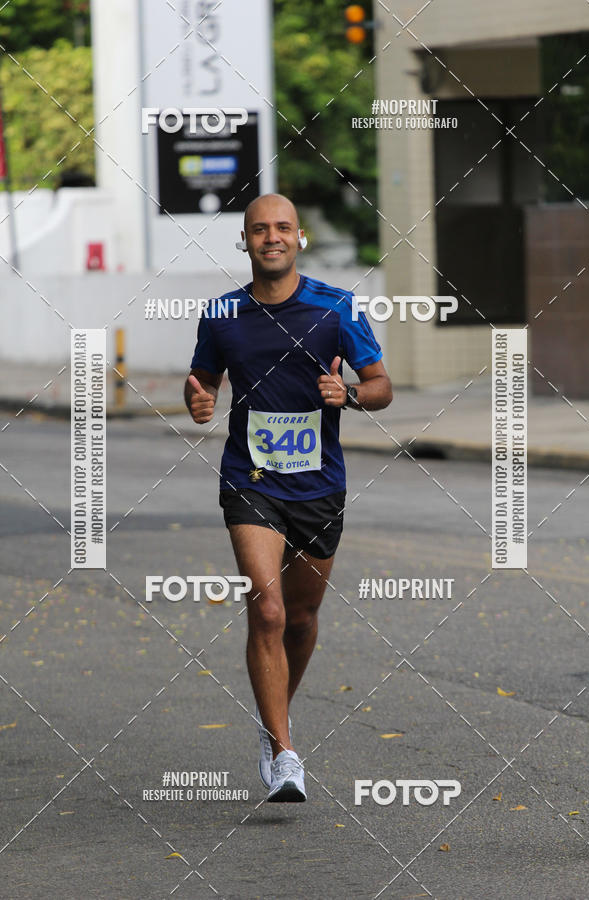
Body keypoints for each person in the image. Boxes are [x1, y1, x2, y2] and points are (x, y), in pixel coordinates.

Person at [185, 193, 392, 802]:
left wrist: (349, 394)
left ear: (299, 238)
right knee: (268, 611)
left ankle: (274, 719)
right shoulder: (221, 314)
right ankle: (284, 753)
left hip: (320, 487)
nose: (270, 237)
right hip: (250, 482)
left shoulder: (336, 307)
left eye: (281, 228)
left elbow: (382, 387)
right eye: (258, 229)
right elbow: (204, 384)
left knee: (300, 619)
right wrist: (197, 403)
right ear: (245, 241)